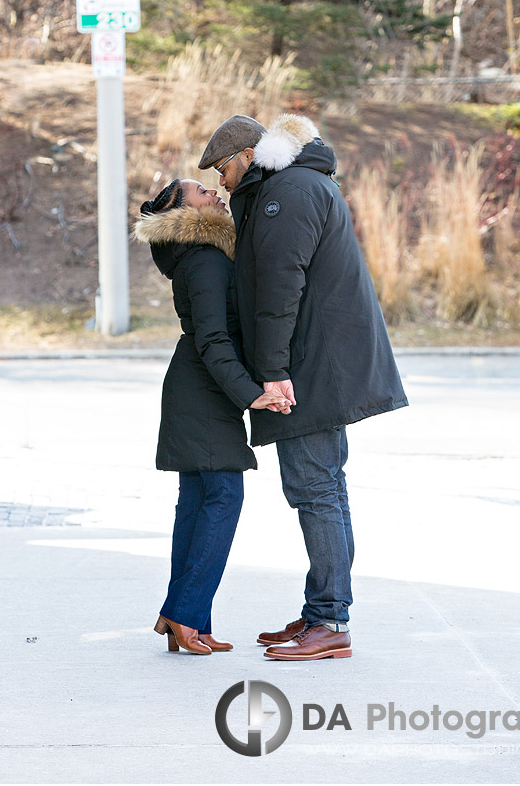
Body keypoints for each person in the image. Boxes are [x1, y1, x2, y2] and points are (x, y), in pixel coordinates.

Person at [198, 113, 408, 662]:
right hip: (318, 362)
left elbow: (279, 288)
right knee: (324, 490)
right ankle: (323, 611)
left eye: (223, 169)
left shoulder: (285, 194)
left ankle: (330, 621)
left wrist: (271, 372)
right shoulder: (299, 185)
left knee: (316, 491)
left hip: (307, 368)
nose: (221, 181)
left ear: (249, 156)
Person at [133, 176, 289, 656]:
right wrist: (251, 395)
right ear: (186, 212)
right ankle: (184, 613)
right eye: (202, 192)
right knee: (223, 497)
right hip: (202, 393)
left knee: (198, 502)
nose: (214, 193)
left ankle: (185, 616)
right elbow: (212, 339)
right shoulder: (203, 259)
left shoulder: (204, 255)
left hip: (202, 390)